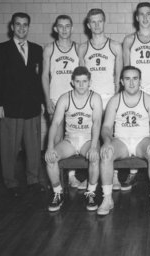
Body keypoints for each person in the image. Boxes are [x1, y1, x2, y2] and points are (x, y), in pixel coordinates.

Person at [0, 12, 44, 197]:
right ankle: (11, 182)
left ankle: (33, 179)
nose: (22, 28)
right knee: (9, 148)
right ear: (12, 27)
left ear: (29, 27)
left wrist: (42, 102)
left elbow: (39, 80)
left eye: (25, 24)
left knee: (33, 147)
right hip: (10, 108)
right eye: (18, 24)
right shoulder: (0, 49)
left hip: (31, 107)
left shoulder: (37, 49)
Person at [98, 66, 150, 216]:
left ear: (140, 81)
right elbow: (106, 127)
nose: (132, 83)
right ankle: (107, 198)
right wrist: (107, 142)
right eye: (127, 79)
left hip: (142, 141)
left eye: (135, 78)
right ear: (121, 81)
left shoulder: (149, 99)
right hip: (121, 141)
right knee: (106, 154)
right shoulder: (115, 100)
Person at [122, 2, 150, 190]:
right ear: (137, 17)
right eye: (142, 14)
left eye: (149, 14)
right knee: (133, 132)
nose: (145, 18)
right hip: (134, 95)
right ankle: (133, 172)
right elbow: (126, 68)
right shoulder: (129, 40)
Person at [44, 67, 103, 212]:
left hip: (88, 140)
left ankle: (91, 192)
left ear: (89, 82)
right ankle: (58, 192)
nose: (81, 85)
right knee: (50, 158)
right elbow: (55, 123)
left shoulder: (95, 98)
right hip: (70, 140)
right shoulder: (65, 98)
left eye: (84, 81)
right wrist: (50, 147)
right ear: (72, 82)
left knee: (95, 158)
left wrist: (94, 146)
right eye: (78, 82)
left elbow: (97, 123)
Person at [79, 8, 123, 191]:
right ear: (88, 25)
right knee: (92, 138)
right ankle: (91, 178)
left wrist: (116, 99)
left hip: (109, 98)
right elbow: (82, 77)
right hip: (91, 101)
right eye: (93, 22)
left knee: (110, 138)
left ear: (104, 22)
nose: (97, 25)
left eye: (100, 21)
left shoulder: (115, 46)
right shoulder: (83, 48)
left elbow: (119, 75)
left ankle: (114, 177)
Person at [42, 15, 83, 189]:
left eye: (68, 26)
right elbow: (44, 76)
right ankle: (56, 179)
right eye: (61, 26)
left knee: (72, 139)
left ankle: (72, 176)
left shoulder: (78, 48)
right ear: (55, 29)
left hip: (74, 101)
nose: (64, 29)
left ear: (72, 28)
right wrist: (47, 100)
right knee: (57, 139)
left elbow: (83, 74)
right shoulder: (50, 49)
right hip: (56, 100)